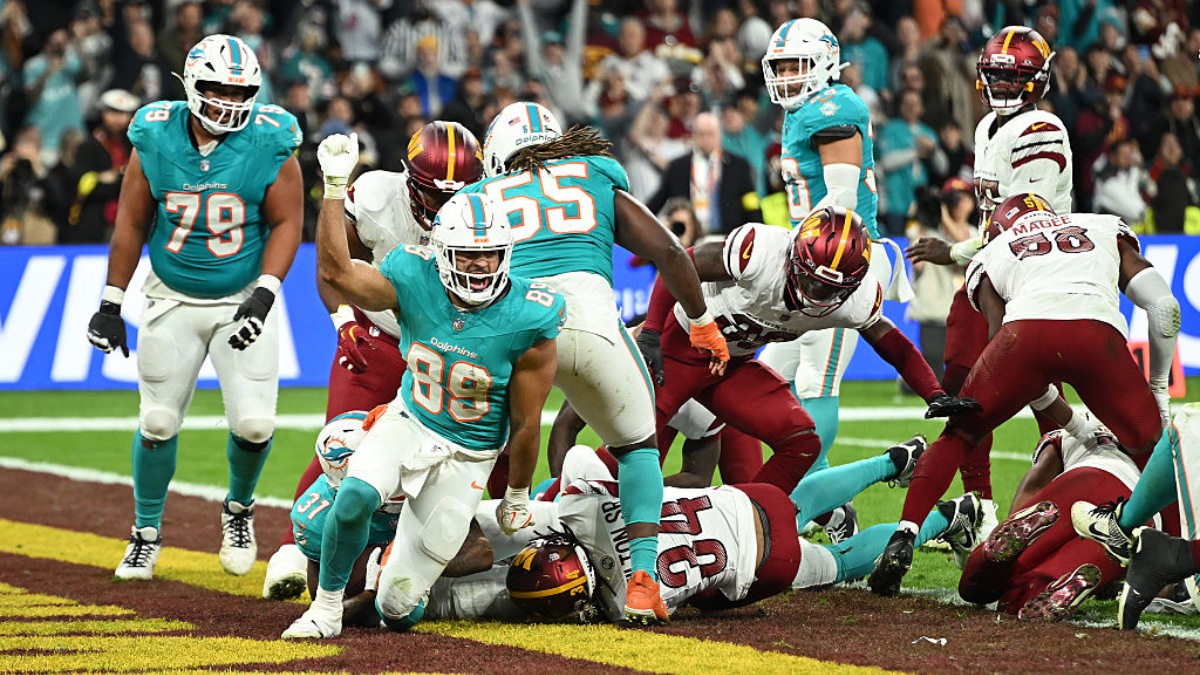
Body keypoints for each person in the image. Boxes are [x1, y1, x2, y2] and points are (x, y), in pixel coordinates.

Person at [280, 134, 564, 639]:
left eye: (489, 254)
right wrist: (332, 189)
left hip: (468, 456)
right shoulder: (414, 274)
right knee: (352, 499)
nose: (478, 266)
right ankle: (324, 609)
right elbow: (336, 272)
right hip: (411, 420)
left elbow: (524, 423)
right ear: (440, 251)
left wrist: (517, 490)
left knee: (397, 607)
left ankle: (392, 581)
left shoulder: (530, 316)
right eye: (466, 254)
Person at [460, 101, 729, 623]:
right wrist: (700, 319)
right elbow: (670, 252)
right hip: (594, 326)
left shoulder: (479, 197)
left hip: (518, 333)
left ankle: (428, 553)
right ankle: (644, 581)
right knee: (637, 448)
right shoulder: (596, 172)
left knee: (464, 446)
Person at [869, 193, 1177, 597]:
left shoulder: (994, 250)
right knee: (1154, 450)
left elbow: (1005, 349)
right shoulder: (1100, 225)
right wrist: (1157, 387)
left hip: (1023, 334)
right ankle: (1175, 569)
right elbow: (1165, 307)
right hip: (1096, 333)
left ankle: (904, 535)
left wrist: (1065, 415)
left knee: (959, 434)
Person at [86, 34, 303, 582]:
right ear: (190, 84)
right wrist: (111, 302)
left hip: (241, 299)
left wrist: (264, 293)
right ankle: (145, 533)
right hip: (172, 296)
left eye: (240, 89)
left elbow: (287, 222)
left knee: (254, 425)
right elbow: (133, 221)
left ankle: (238, 509)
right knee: (157, 421)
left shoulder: (271, 139)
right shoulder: (155, 132)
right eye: (215, 87)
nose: (228, 99)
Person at [262, 121, 484, 601]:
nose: (444, 208)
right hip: (380, 338)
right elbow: (333, 262)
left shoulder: (492, 211)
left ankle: (440, 545)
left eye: (456, 196)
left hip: (449, 352)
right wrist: (344, 320)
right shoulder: (379, 196)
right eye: (432, 194)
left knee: (478, 453)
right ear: (408, 179)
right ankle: (294, 549)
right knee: (343, 447)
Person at [423, 441, 982, 622]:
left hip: (768, 564)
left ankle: (945, 516)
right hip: (739, 501)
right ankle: (894, 461)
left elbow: (682, 603)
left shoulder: (621, 604)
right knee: (792, 501)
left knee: (835, 567)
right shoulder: (577, 512)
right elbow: (577, 458)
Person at [639, 206, 977, 504]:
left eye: (830, 288)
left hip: (731, 364)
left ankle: (744, 522)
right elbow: (678, 261)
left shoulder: (856, 299)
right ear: (795, 254)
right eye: (811, 279)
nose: (816, 293)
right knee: (633, 460)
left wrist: (933, 392)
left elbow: (891, 342)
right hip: (679, 349)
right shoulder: (761, 252)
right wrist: (653, 330)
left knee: (801, 441)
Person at [905, 25, 1075, 536]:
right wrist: (964, 255)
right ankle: (979, 507)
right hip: (986, 277)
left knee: (1042, 396)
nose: (1001, 87)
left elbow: (1026, 225)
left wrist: (955, 250)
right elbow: (993, 224)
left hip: (1034, 280)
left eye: (1013, 77)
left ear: (1037, 82)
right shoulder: (985, 129)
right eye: (995, 76)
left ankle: (1066, 505)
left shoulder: (1043, 132)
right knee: (960, 390)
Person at [756, 19, 909, 527]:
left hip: (844, 263)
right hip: (811, 265)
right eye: (778, 67)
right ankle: (829, 507)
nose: (785, 77)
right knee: (764, 381)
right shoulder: (801, 111)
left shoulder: (833, 107)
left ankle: (801, 507)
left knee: (816, 381)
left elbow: (840, 201)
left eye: (794, 66)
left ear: (823, 63)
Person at [959, 427, 1155, 622]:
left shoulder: (1075, 429)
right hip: (1138, 513)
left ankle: (995, 555)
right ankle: (1065, 584)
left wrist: (1012, 525)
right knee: (1024, 600)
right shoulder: (1157, 437)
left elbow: (1035, 483)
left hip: (1082, 480)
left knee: (975, 588)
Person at [645, 111, 762, 236]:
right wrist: (642, 220)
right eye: (701, 134)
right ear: (693, 135)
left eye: (710, 134)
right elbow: (658, 200)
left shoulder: (738, 165)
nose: (706, 139)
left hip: (728, 236)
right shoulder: (678, 167)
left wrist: (759, 231)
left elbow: (750, 200)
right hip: (690, 238)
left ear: (719, 135)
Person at [66, 89, 138, 243]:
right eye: (113, 112)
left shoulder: (134, 144)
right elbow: (78, 183)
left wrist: (113, 178)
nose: (118, 118)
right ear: (102, 113)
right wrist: (114, 179)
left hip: (128, 216)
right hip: (96, 222)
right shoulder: (89, 145)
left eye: (124, 113)